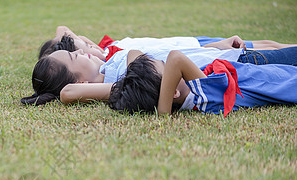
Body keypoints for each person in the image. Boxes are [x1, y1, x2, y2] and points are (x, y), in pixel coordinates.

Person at [21, 45, 297, 107]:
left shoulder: (116, 70)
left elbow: (136, 54)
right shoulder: (126, 84)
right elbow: (68, 93)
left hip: (229, 60)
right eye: (74, 56)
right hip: (233, 64)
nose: (80, 51)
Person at [108, 50, 297, 116]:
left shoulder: (197, 91)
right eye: (168, 73)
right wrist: (163, 111)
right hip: (287, 81)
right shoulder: (203, 98)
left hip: (279, 72)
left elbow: (135, 53)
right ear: (172, 92)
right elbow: (176, 58)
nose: (169, 65)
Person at [39, 26, 297, 65]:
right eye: (80, 50)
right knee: (269, 49)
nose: (87, 45)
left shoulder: (106, 47)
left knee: (270, 43)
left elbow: (63, 28)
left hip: (194, 43)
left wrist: (72, 43)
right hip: (199, 50)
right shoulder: (111, 58)